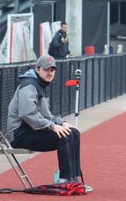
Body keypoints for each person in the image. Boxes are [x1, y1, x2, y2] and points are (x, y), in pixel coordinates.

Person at [6, 55, 85, 186]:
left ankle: (73, 178)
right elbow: (27, 114)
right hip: (20, 135)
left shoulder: (39, 85)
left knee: (73, 132)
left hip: (31, 130)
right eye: (46, 69)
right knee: (65, 136)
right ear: (37, 69)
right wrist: (52, 126)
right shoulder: (29, 85)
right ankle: (65, 180)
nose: (50, 73)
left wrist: (61, 123)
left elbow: (46, 115)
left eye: (52, 70)